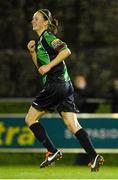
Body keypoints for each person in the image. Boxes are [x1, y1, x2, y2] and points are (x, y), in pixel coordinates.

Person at [26, 8, 104, 171]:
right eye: (33, 18)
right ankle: (94, 155)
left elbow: (66, 51)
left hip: (56, 84)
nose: (33, 21)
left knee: (30, 119)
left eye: (36, 18)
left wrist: (49, 66)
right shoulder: (40, 42)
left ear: (46, 22)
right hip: (65, 86)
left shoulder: (48, 36)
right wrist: (33, 53)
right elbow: (41, 68)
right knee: (72, 124)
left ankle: (52, 151)